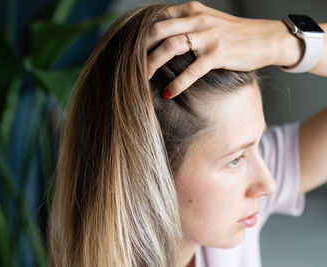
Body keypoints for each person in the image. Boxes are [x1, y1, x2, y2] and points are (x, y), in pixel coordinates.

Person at [48, 2, 327, 267]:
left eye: (257, 144)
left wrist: (283, 40)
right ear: (151, 171)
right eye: (235, 160)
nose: (268, 184)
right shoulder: (226, 215)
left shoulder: (228, 218)